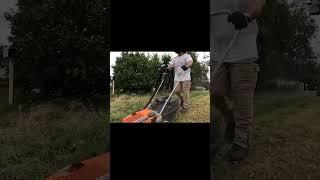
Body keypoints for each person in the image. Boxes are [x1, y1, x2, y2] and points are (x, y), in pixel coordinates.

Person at [210, 0, 266, 161]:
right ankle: (230, 118)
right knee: (213, 92)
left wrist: (247, 16)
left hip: (243, 51)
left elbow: (258, 4)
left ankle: (241, 142)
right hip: (217, 52)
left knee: (242, 99)